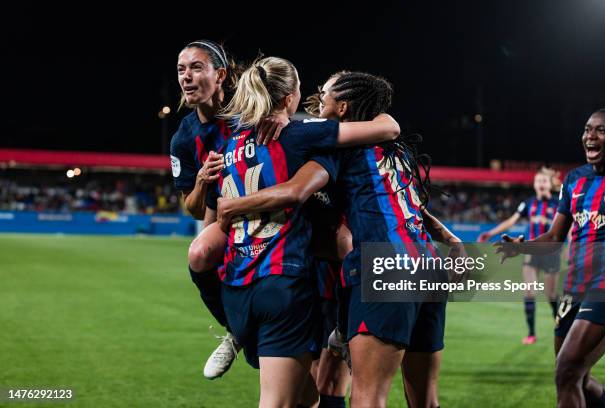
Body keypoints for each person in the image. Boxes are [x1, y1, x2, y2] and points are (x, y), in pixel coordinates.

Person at [215, 71, 461, 408]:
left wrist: (233, 205)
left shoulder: (332, 145)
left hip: (382, 266)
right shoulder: (395, 149)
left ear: (343, 108)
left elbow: (295, 190)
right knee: (425, 401)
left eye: (326, 93)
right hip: (428, 266)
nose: (319, 98)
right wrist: (447, 235)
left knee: (367, 396)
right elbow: (409, 203)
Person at [169, 39, 286, 380]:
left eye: (196, 67)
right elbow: (191, 208)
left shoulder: (249, 106)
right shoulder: (183, 138)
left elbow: (285, 95)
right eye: (181, 69)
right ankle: (234, 331)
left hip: (274, 204)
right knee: (199, 253)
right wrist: (203, 180)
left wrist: (279, 113)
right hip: (226, 213)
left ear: (219, 74)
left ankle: (341, 326)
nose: (186, 76)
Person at [496, 109, 605, 408]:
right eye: (588, 129)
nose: (591, 136)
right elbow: (554, 237)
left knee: (566, 371)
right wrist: (521, 248)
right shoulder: (574, 180)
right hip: (575, 285)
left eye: (602, 130)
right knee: (577, 378)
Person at [478, 168, 561, 344]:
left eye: (544, 181)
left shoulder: (558, 204)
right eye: (537, 181)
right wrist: (491, 233)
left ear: (549, 184)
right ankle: (531, 333)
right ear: (534, 185)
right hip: (530, 251)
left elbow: (566, 227)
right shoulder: (528, 203)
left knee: (551, 294)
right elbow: (511, 221)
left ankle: (560, 326)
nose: (540, 184)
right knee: (529, 291)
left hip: (551, 252)